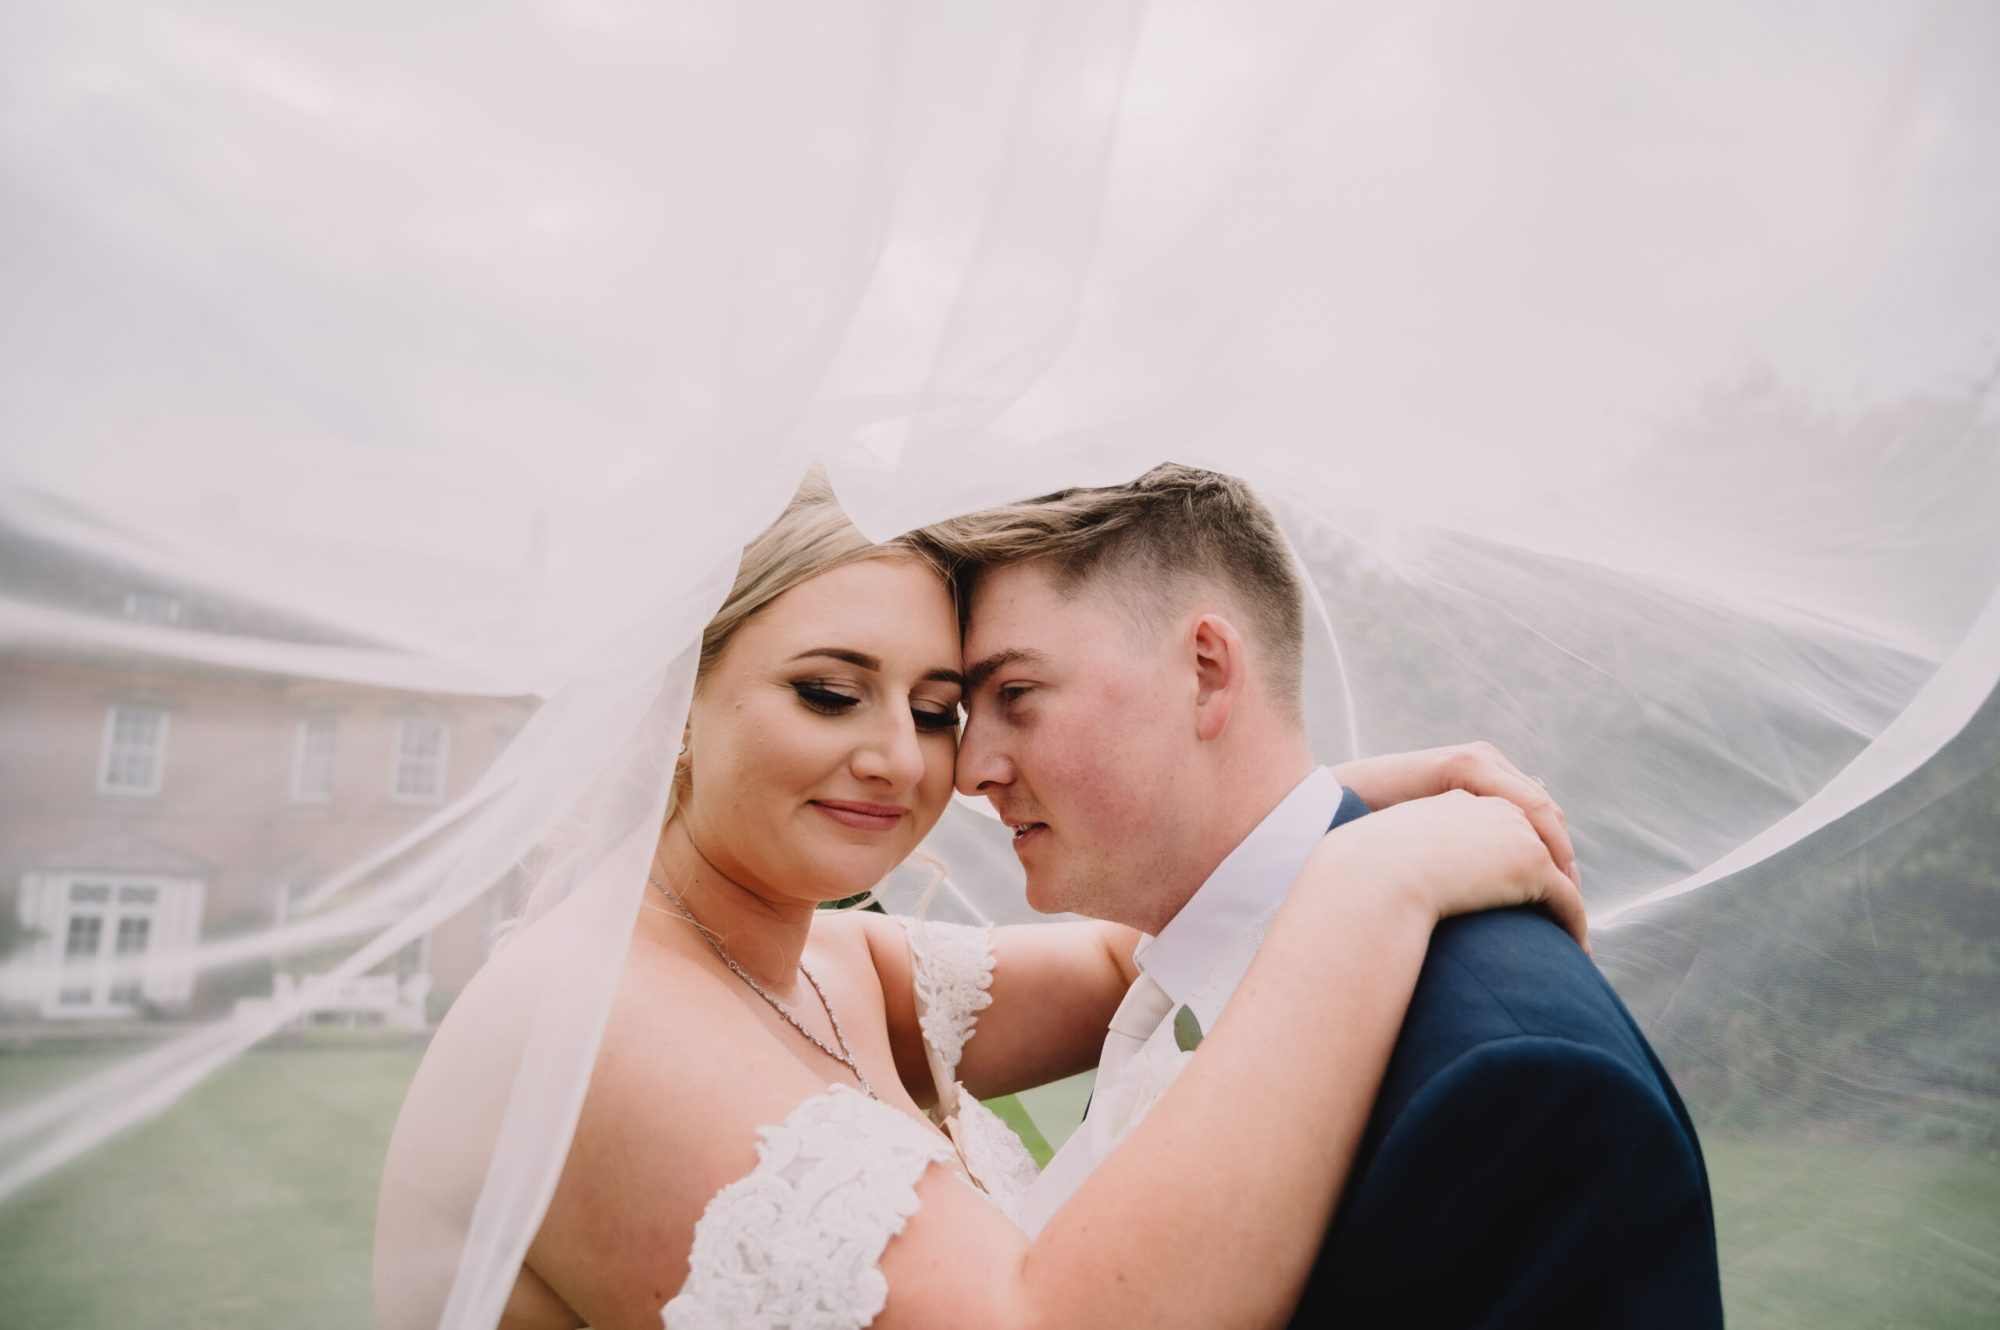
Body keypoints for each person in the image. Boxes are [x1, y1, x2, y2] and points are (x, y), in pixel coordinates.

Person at [376, 466, 1587, 1329]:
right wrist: (1374, 882)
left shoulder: (842, 971)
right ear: (678, 706)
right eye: (827, 692)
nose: (903, 761)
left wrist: (1340, 798)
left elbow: (1139, 953)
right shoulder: (588, 1018)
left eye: (934, 707)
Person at [921, 463, 1725, 1327]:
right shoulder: (1180, 963)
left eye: (1016, 696)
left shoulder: (1513, 1079)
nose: (972, 770)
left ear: (1205, 670)